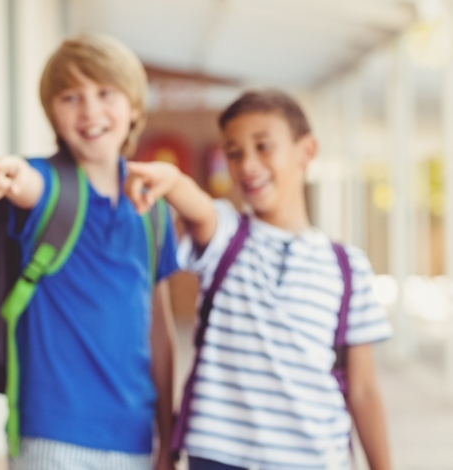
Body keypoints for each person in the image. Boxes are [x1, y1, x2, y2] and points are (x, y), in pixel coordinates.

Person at [125, 89, 393, 470]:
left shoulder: (348, 266)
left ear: (307, 150)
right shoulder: (227, 236)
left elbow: (363, 388)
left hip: (314, 459)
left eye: (263, 146)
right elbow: (197, 208)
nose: (247, 164)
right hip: (219, 455)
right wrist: (172, 179)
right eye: (234, 153)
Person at [0, 33, 178, 470]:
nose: (89, 110)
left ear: (135, 108)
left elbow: (159, 330)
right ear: (53, 113)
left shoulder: (153, 207)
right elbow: (24, 182)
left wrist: (167, 436)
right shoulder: (49, 184)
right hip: (51, 434)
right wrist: (4, 175)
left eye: (105, 92)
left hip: (136, 437)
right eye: (71, 97)